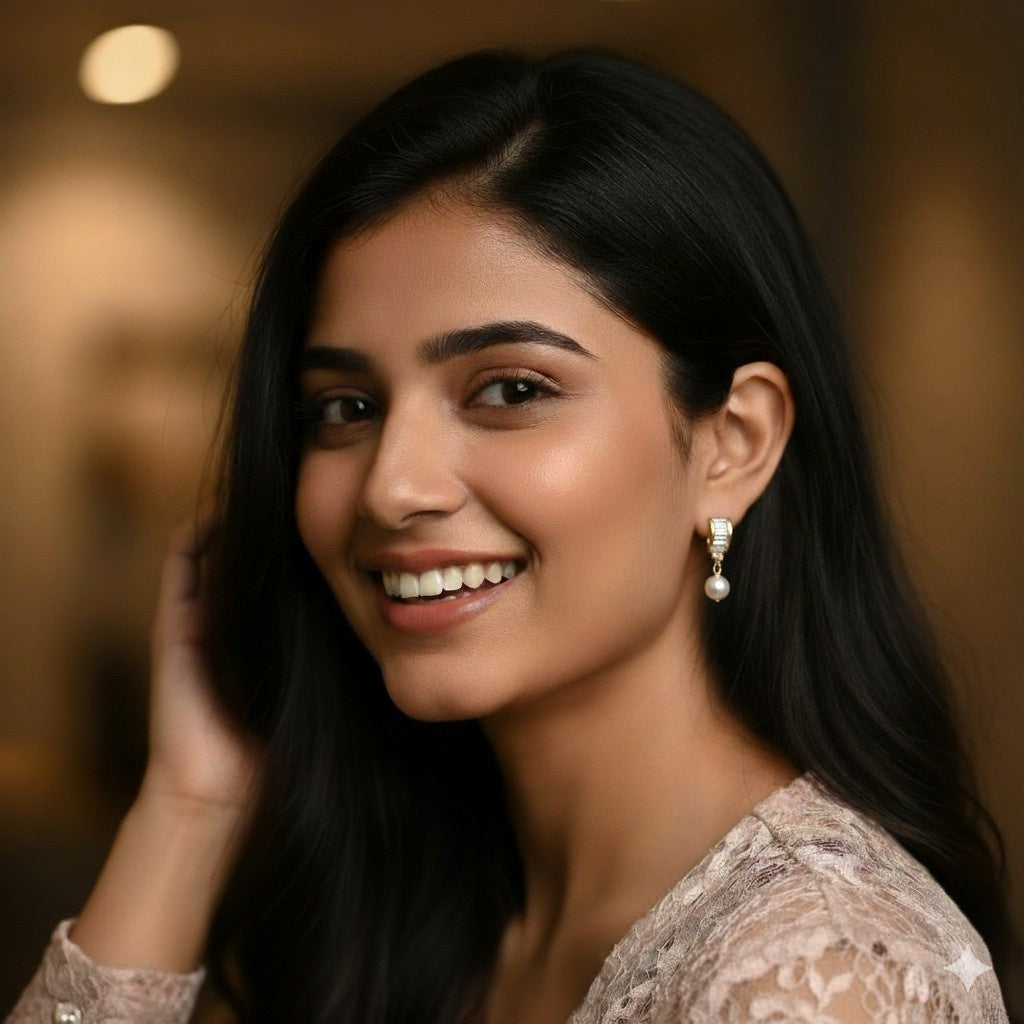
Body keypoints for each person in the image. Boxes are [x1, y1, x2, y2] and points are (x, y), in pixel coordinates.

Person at [6, 46, 1016, 1024]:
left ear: (733, 443)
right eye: (344, 406)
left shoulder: (816, 984)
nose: (391, 486)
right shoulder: (436, 897)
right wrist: (192, 805)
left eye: (509, 389)